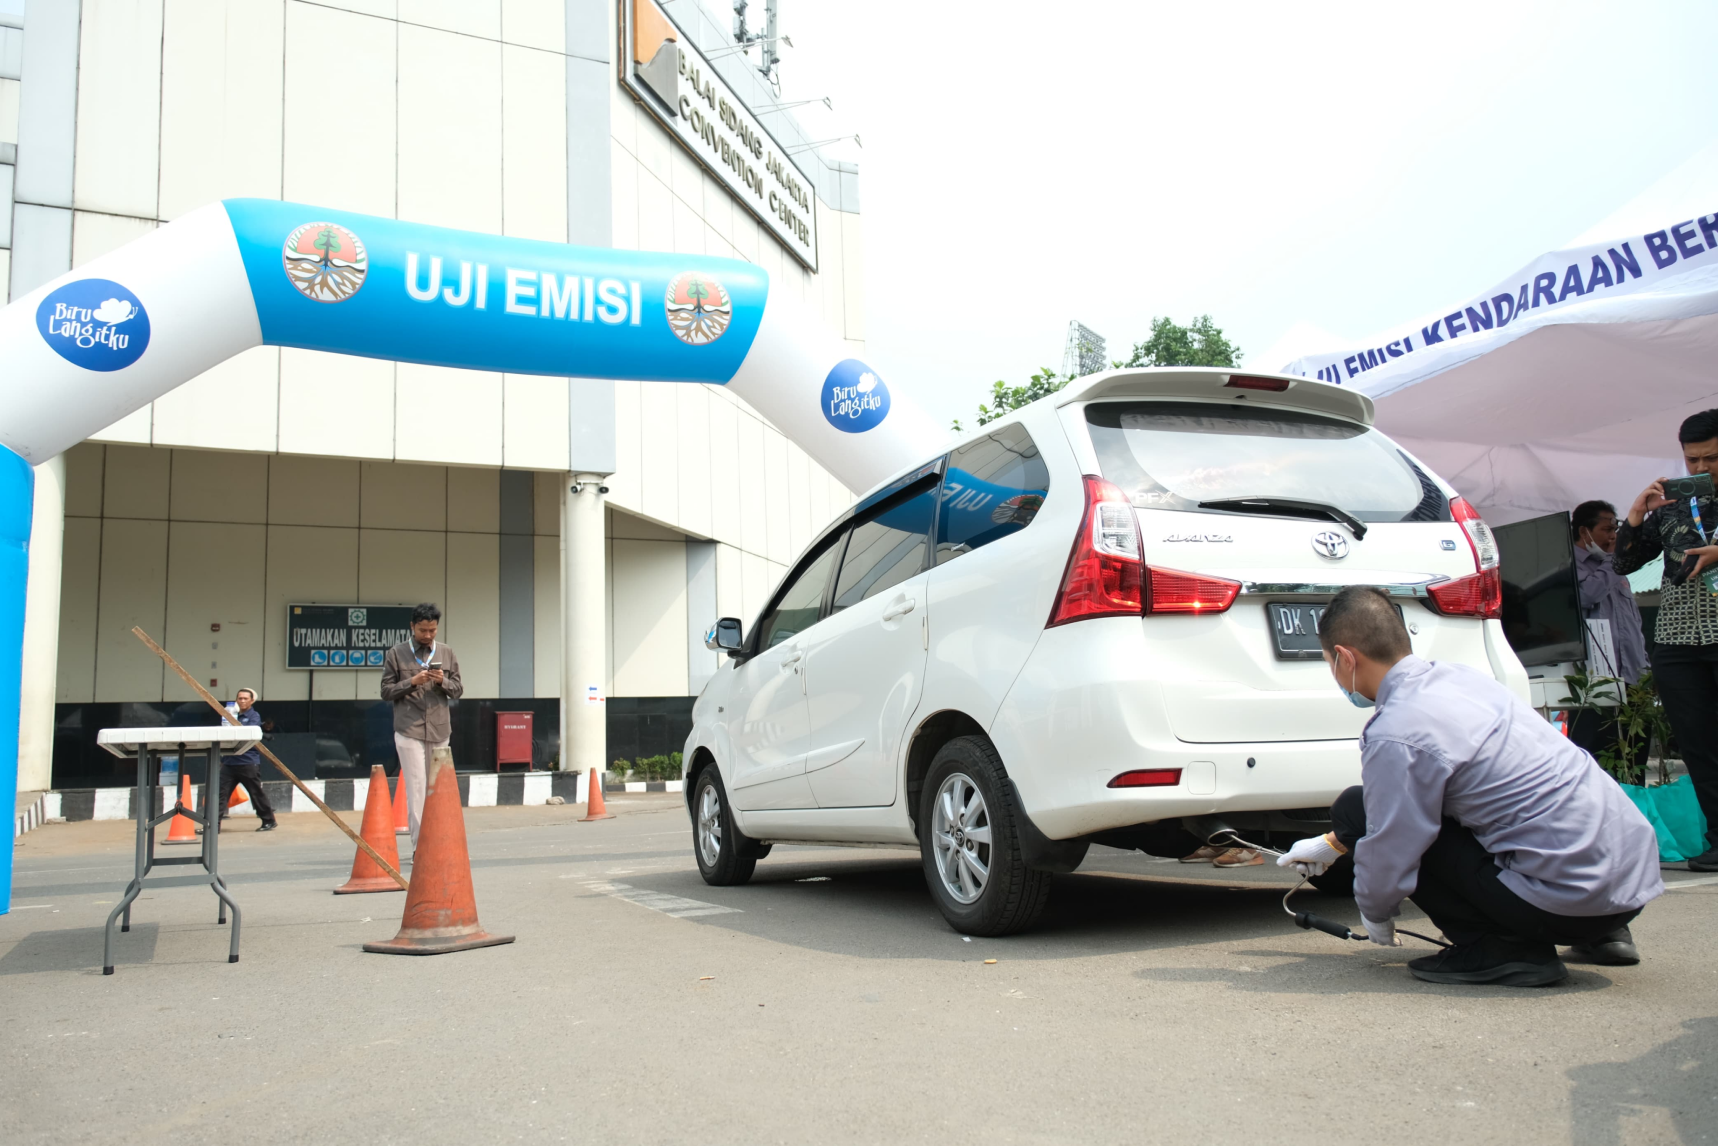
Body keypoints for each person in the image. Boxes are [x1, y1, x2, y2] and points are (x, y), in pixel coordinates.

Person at [1276, 586, 1662, 986]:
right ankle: (1606, 936)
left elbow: (1394, 838)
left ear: (1345, 658)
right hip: (1628, 883)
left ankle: (1501, 949)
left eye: (1330, 664)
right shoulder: (1463, 680)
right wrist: (1333, 844)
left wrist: (1374, 911)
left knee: (1356, 806)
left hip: (1568, 906)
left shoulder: (1396, 731)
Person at [1613, 408, 1718, 873]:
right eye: (1692, 460)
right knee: (1696, 742)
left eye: (1711, 459)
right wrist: (1635, 518)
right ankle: (1717, 839)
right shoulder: (1674, 505)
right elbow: (1624, 565)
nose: (1699, 469)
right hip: (1677, 637)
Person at [380, 603, 463, 845]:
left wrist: (442, 682)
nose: (427, 635)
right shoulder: (396, 653)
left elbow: (458, 690)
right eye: (423, 630)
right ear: (412, 626)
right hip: (409, 730)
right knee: (416, 789)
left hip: (439, 730)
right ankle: (421, 847)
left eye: (432, 630)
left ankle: (440, 844)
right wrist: (412, 682)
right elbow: (385, 691)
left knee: (438, 788)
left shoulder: (446, 652)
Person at [216, 688, 277, 832]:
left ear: (252, 701)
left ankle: (268, 820)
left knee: (255, 792)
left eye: (245, 698)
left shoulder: (253, 716)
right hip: (229, 762)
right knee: (219, 794)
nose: (242, 701)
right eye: (240, 698)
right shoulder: (231, 714)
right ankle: (212, 825)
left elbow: (247, 734)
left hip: (247, 761)